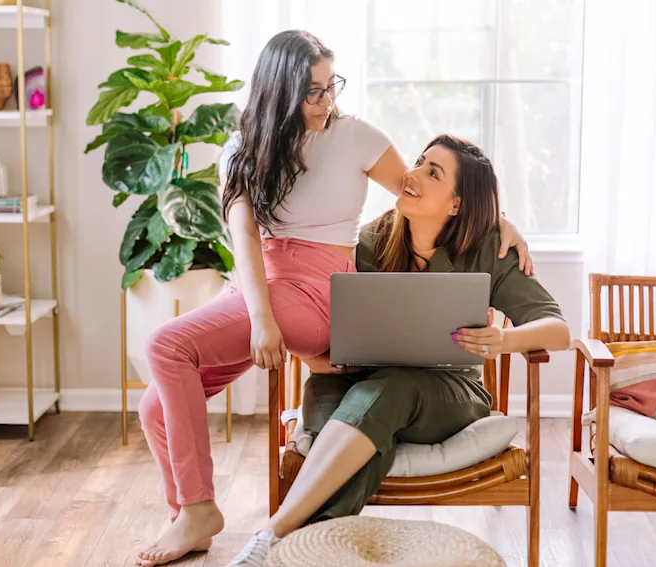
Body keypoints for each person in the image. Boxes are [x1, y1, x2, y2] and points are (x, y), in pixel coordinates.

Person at [136, 30, 532, 567]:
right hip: (260, 287)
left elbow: (428, 193)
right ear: (279, 92)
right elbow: (245, 238)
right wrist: (260, 318)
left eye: (331, 86)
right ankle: (191, 516)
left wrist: (502, 222)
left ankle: (200, 509)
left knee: (165, 345)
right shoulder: (241, 148)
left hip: (317, 290)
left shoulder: (355, 137)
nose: (329, 101)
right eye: (314, 92)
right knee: (155, 404)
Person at [226, 134, 571, 566]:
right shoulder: (366, 241)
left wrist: (506, 341)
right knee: (371, 416)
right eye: (420, 161)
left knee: (390, 392)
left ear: (457, 204)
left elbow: (557, 330)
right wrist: (316, 358)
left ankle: (274, 535)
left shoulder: (489, 248)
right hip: (354, 381)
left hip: (447, 393)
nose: (412, 174)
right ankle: (312, 549)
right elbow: (313, 309)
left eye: (433, 172)